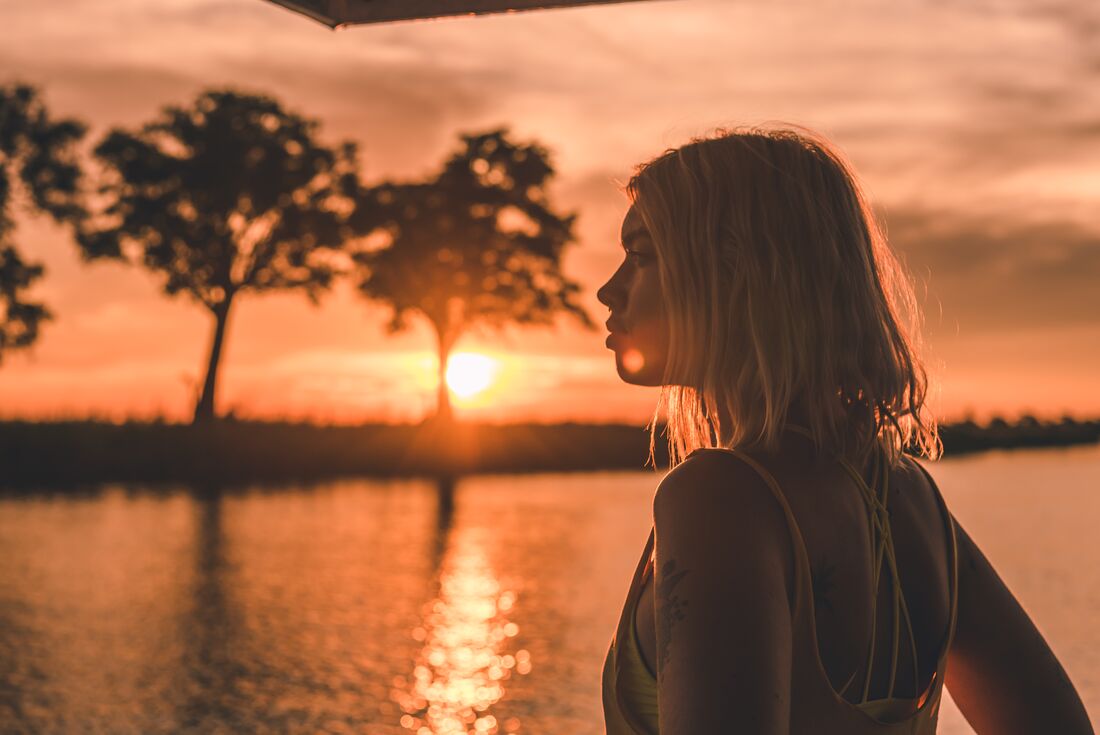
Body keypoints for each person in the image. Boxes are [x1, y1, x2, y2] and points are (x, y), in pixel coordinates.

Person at [595, 126, 1094, 734]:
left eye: (641, 256)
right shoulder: (908, 498)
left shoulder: (718, 496)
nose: (608, 290)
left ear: (737, 273)